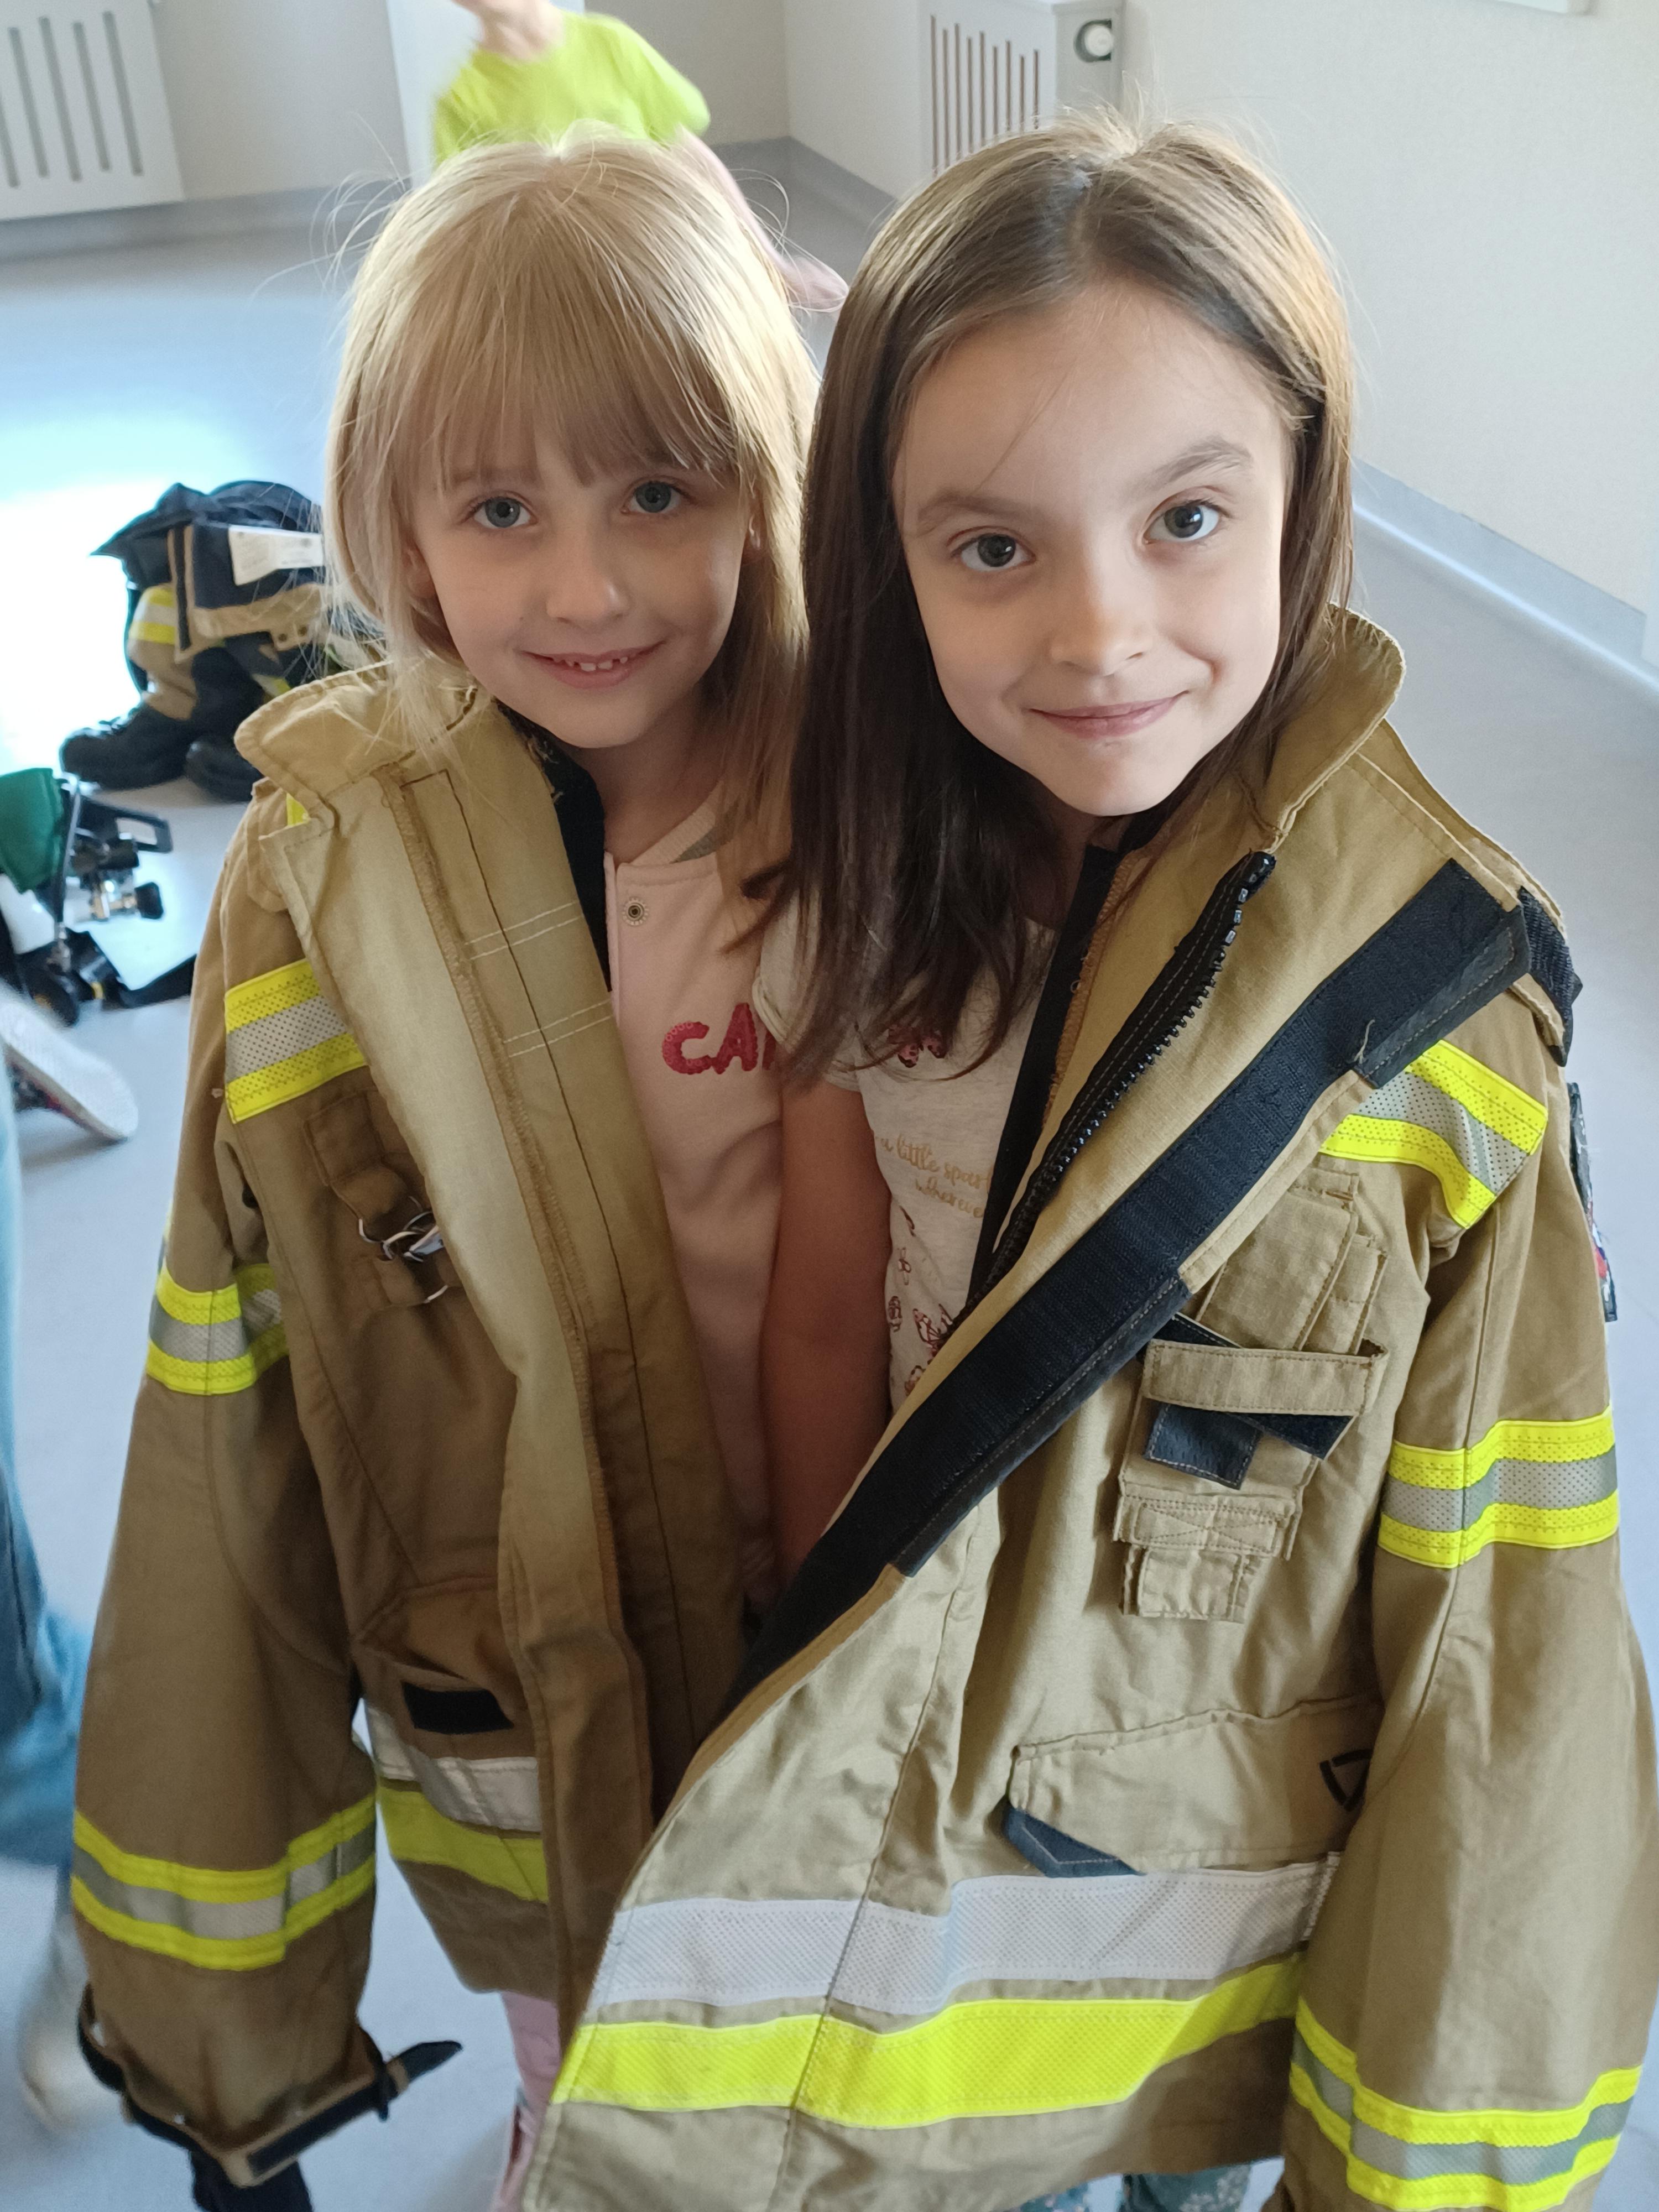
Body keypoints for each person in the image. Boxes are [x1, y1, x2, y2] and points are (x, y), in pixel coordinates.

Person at [500, 116, 1658, 2211]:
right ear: (886, 558)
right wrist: (808, 1656)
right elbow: (827, 1305)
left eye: (1185, 517)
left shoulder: (1432, 1004)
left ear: (1302, 491)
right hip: (927, 1773)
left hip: (1196, 1833)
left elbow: (1491, 1605)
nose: (1099, 632)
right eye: (992, 549)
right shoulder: (865, 884)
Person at [72, 135, 816, 2210]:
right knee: (582, 2014)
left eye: (657, 493)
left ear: (764, 482)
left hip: (825, 1580)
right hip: (531, 1643)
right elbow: (237, 1379)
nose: (583, 589)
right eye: (501, 511)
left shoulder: (870, 813)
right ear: (394, 524)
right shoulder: (325, 875)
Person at [437, 0, 846, 310]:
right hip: (563, 303)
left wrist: (775, 268)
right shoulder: (461, 101)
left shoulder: (612, 45)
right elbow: (467, 233)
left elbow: (691, 157)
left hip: (662, 276)